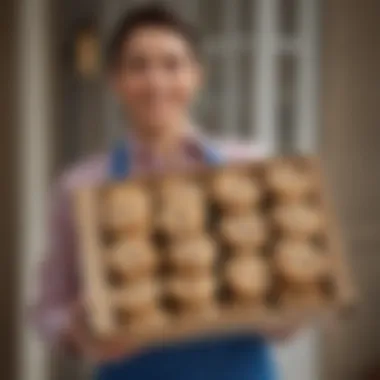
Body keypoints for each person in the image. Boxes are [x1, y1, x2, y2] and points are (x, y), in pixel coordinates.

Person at [34, 3, 291, 379]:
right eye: (138, 66)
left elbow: (286, 308)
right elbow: (46, 311)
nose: (156, 83)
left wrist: (284, 315)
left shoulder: (248, 167)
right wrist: (79, 329)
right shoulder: (81, 186)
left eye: (172, 65)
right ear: (115, 80)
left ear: (197, 76)